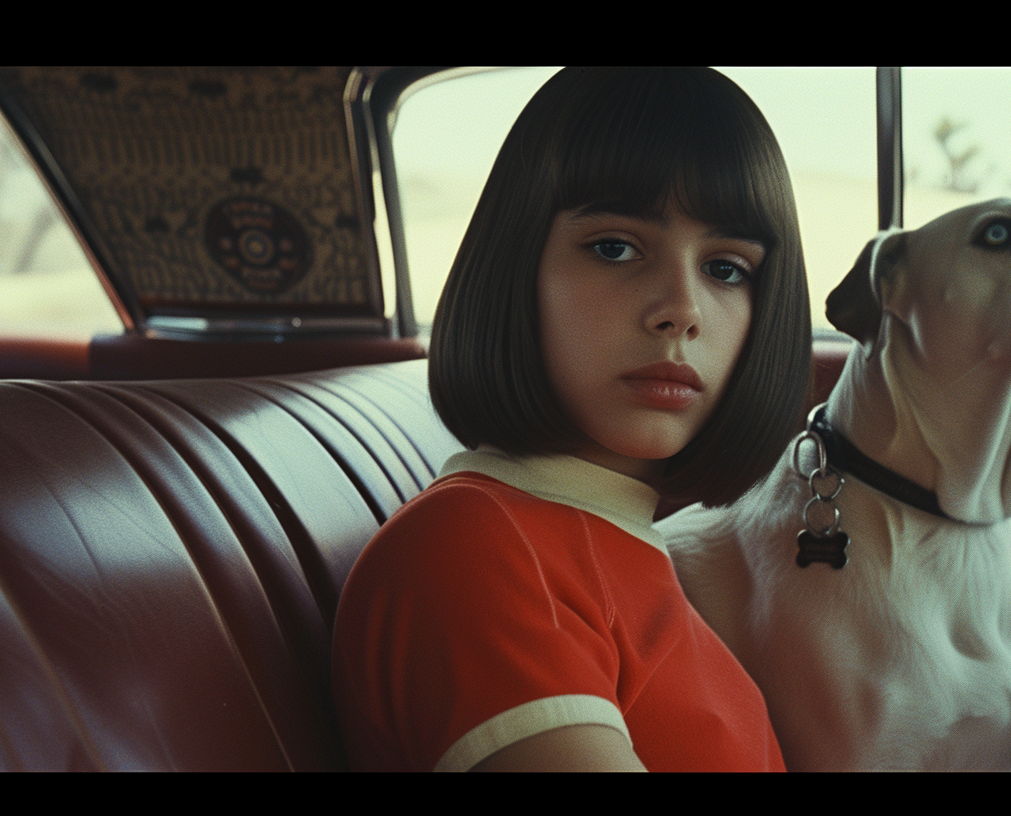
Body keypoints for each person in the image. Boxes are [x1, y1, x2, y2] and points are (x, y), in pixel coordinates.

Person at [332, 67, 812, 772]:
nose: (682, 309)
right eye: (614, 247)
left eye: (727, 268)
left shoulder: (619, 543)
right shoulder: (477, 547)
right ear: (517, 264)